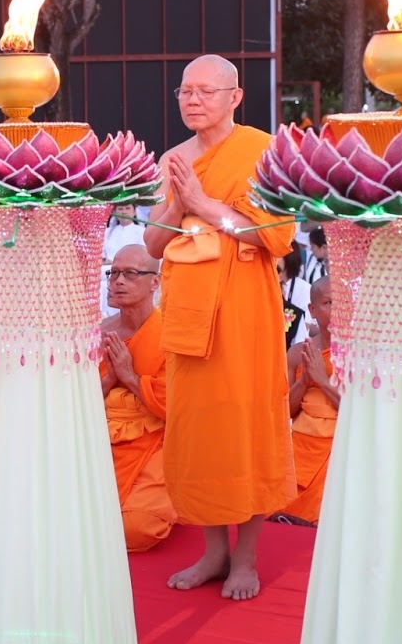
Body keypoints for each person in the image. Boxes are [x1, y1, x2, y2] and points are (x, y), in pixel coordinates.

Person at [142, 54, 296, 600]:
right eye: (185, 91)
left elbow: (277, 236)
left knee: (244, 427)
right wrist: (177, 205)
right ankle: (213, 552)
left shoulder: (263, 152)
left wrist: (204, 205)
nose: (193, 100)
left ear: (235, 97)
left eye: (206, 91)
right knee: (199, 431)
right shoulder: (174, 159)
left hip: (244, 312)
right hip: (188, 310)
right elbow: (152, 244)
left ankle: (246, 558)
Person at [98, 244, 176, 552]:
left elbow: (175, 406)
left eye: (130, 274)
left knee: (136, 528)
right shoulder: (100, 332)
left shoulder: (170, 334)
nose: (118, 281)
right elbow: (76, 403)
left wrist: (129, 377)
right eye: (114, 273)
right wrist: (109, 379)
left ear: (155, 282)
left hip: (154, 440)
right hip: (101, 440)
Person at [277, 276, 337, 526]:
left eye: (343, 303)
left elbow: (361, 414)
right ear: (312, 309)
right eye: (329, 303)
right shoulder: (296, 354)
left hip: (338, 445)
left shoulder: (360, 356)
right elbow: (285, 413)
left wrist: (322, 381)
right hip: (301, 442)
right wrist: (304, 381)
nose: (337, 310)